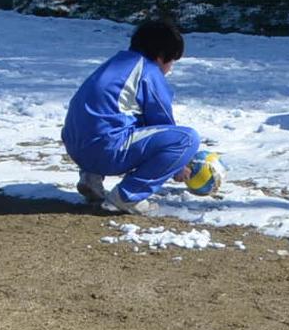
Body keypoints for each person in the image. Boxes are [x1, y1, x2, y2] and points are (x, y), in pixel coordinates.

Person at [61, 19, 200, 215]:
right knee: (187, 139)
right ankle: (128, 196)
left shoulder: (115, 64)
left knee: (118, 120)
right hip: (105, 151)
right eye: (172, 61)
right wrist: (178, 165)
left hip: (76, 146)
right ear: (161, 57)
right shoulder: (148, 71)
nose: (171, 68)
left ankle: (90, 178)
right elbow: (161, 121)